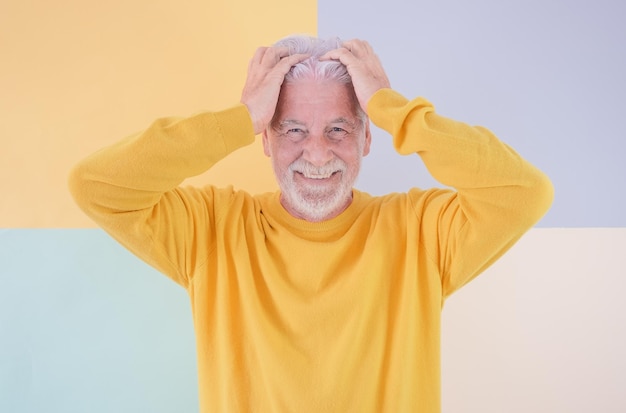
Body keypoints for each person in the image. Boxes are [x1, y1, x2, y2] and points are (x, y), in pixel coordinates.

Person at [69, 35, 553, 412]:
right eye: (293, 129)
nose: (317, 154)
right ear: (265, 139)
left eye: (338, 129)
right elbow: (95, 184)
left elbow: (524, 192)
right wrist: (239, 118)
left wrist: (391, 108)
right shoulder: (210, 230)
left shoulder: (419, 233)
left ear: (367, 139)